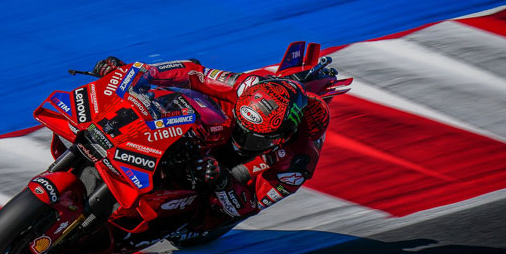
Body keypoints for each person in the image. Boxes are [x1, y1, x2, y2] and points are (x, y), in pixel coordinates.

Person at [92, 56, 331, 222]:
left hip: (231, 176)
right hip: (213, 122)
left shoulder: (298, 163)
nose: (241, 139)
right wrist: (138, 73)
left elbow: (251, 205)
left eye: (253, 138)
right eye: (242, 128)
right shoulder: (247, 85)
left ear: (283, 137)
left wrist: (223, 181)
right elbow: (194, 73)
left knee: (210, 215)